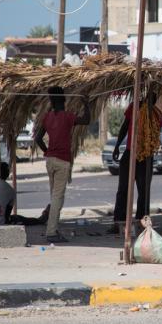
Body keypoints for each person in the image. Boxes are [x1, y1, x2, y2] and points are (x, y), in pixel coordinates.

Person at [35, 86, 91, 243]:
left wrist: (48, 151)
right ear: (64, 99)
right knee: (58, 198)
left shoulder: (47, 117)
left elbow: (38, 139)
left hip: (50, 160)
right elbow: (86, 120)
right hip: (62, 161)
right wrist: (86, 104)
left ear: (51, 101)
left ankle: (54, 229)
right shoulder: (67, 117)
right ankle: (51, 232)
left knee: (54, 197)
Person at [109, 94, 162, 234]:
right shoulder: (134, 107)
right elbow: (125, 126)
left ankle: (142, 223)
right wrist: (117, 146)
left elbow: (155, 135)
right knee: (123, 189)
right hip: (130, 153)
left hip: (146, 155)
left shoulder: (156, 114)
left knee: (144, 191)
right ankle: (118, 221)